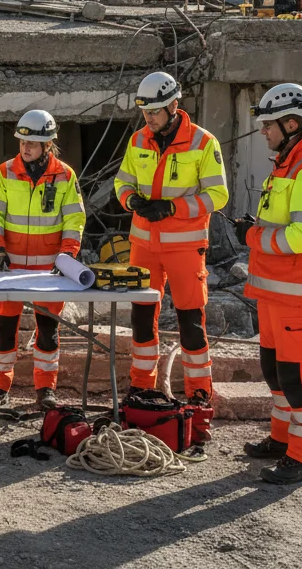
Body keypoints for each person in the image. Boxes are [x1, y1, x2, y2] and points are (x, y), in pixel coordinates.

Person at [236, 83, 302, 485]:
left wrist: (252, 236)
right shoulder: (287, 164)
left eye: (268, 125)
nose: (263, 131)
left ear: (291, 123)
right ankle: (281, 440)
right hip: (276, 292)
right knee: (275, 372)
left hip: (299, 295)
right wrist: (257, 231)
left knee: (297, 375)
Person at [114, 71, 228, 431]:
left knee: (190, 324)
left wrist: (172, 208)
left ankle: (199, 396)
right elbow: (122, 181)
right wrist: (131, 199)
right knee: (141, 320)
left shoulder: (203, 142)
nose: (149, 119)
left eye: (156, 112)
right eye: (146, 113)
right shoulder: (138, 140)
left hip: (184, 248)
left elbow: (218, 195)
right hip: (143, 245)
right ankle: (141, 388)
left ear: (174, 107)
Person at [0, 110, 85, 411]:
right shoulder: (5, 172)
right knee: (3, 329)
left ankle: (45, 390)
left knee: (48, 332)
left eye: (33, 143)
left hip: (48, 271)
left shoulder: (65, 175)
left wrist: (67, 254)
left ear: (48, 145)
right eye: (22, 142)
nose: (25, 148)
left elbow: (75, 218)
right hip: (10, 268)